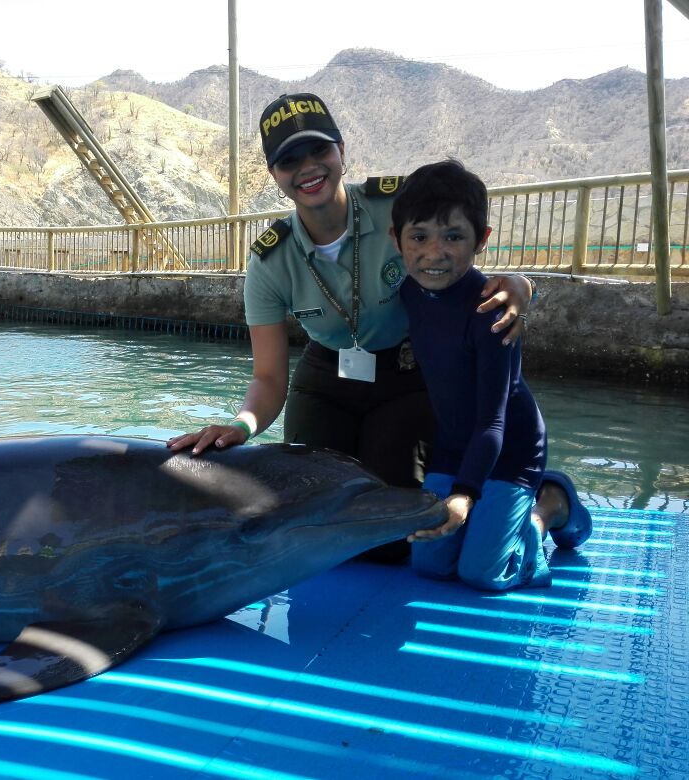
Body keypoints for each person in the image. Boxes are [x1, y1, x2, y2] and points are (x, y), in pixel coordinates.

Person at [167, 92, 552, 562]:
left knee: (390, 540)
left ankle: (540, 493)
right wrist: (240, 426)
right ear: (274, 174)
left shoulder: (394, 206)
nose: (308, 167)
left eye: (319, 150)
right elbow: (268, 377)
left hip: (408, 374)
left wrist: (522, 284)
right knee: (312, 519)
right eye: (290, 160)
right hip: (327, 376)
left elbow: (459, 248)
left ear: (342, 151)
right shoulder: (270, 260)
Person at [390, 160, 592, 590]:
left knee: (483, 573)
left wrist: (465, 494)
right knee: (428, 561)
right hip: (454, 445)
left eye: (454, 237)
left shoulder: (493, 314)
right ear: (397, 239)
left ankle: (550, 507)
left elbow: (493, 421)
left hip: (511, 448)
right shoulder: (408, 291)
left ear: (481, 239)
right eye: (419, 236)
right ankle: (493, 512)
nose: (434, 253)